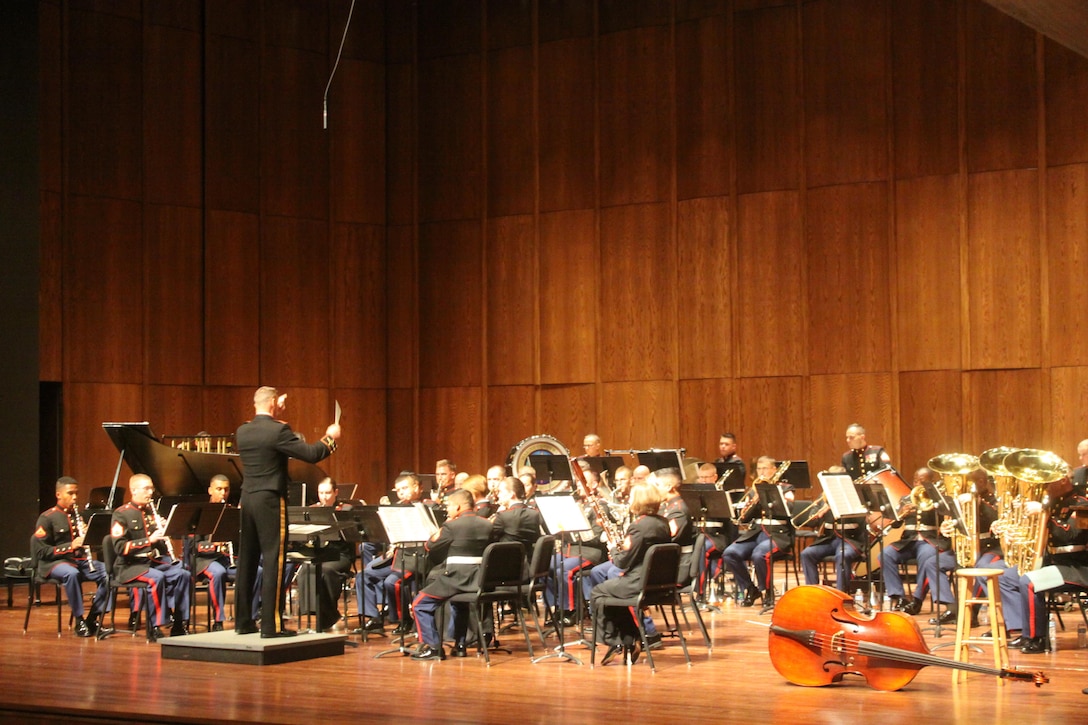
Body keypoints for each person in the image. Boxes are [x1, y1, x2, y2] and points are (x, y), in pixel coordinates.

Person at [234, 386, 340, 639]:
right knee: (274, 559)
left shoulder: (243, 431)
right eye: (279, 400)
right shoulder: (277, 430)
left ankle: (243, 622)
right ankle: (272, 626)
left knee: (247, 560)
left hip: (247, 498)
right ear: (272, 402)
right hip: (270, 499)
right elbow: (312, 454)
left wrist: (277, 408)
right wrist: (331, 437)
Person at [999, 481, 1088, 653]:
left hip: (1077, 566)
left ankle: (1036, 638)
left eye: (1050, 480)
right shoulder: (1052, 501)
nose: (1045, 485)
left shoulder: (1081, 502)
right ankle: (1023, 630)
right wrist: (1016, 531)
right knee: (1008, 576)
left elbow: (1070, 534)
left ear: (1063, 480)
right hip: (1054, 563)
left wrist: (1044, 513)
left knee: (1029, 582)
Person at [410, 489, 496, 660]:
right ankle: (460, 645)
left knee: (419, 603)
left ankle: (434, 647)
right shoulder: (488, 524)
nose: (447, 510)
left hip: (456, 578)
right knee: (459, 602)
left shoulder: (451, 526)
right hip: (480, 579)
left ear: (457, 507)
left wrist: (440, 529)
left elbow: (430, 546)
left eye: (448, 506)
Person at [589, 483, 670, 665]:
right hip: (658, 583)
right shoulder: (662, 523)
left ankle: (617, 640)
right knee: (612, 591)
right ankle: (630, 639)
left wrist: (613, 549)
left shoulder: (638, 527)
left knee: (599, 592)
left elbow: (622, 562)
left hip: (638, 582)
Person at [110, 474, 191, 638]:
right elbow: (120, 547)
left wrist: (166, 528)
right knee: (156, 578)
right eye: (146, 488)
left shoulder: (151, 513)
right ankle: (154, 626)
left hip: (152, 562)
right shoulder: (121, 514)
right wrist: (149, 540)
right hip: (129, 566)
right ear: (133, 490)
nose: (150, 492)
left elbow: (160, 545)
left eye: (151, 488)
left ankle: (179, 623)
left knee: (184, 574)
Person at [32, 476, 110, 637]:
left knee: (109, 572)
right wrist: (70, 546)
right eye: (70, 493)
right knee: (71, 573)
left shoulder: (77, 516)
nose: (75, 497)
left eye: (76, 493)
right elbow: (42, 552)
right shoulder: (47, 518)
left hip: (77, 561)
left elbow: (85, 545)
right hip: (54, 563)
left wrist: (88, 535)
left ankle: (93, 617)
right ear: (59, 495)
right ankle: (79, 620)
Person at [357, 472, 429, 634]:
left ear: (417, 487)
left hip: (415, 558)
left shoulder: (427, 507)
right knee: (363, 576)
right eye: (398, 490)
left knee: (392, 582)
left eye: (405, 488)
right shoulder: (395, 508)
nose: (401, 492)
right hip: (395, 556)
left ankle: (403, 620)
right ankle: (373, 617)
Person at [188, 474, 260, 631]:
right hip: (203, 561)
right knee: (218, 572)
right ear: (210, 490)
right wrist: (214, 545)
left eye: (226, 490)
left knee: (257, 571)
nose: (223, 494)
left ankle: (251, 617)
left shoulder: (231, 512)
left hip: (225, 559)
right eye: (219, 489)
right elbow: (193, 546)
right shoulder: (199, 513)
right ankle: (218, 620)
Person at [720, 456, 795, 607]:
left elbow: (789, 509)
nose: (762, 472)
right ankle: (750, 588)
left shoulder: (786, 488)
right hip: (755, 533)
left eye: (765, 468)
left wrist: (773, 495)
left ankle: (768, 592)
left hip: (777, 534)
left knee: (759, 555)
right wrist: (753, 501)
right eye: (759, 469)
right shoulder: (754, 490)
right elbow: (745, 519)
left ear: (774, 470)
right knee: (730, 553)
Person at [880, 467, 954, 617]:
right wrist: (900, 515)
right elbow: (895, 525)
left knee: (928, 558)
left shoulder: (939, 500)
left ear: (931, 482)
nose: (917, 483)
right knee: (885, 554)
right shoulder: (905, 499)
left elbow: (947, 519)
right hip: (908, 541)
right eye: (915, 480)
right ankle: (898, 597)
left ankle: (917, 600)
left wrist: (934, 505)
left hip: (930, 540)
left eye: (922, 481)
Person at [293, 478, 354, 632]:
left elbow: (351, 538)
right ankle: (315, 613)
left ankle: (327, 616)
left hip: (340, 555)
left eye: (328, 493)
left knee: (325, 571)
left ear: (336, 493)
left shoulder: (345, 510)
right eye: (321, 493)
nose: (324, 497)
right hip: (320, 554)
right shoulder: (312, 509)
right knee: (306, 570)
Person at [491, 477, 545, 559]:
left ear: (511, 494)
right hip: (529, 563)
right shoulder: (534, 514)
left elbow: (488, 535)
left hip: (507, 563)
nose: (498, 495)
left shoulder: (503, 516)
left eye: (501, 491)